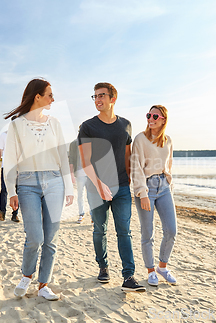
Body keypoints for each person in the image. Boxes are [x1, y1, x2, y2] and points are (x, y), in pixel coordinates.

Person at [3, 78, 74, 301]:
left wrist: (69, 187)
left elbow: (64, 157)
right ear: (38, 97)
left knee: (50, 237)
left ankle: (44, 285)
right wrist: (11, 190)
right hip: (27, 184)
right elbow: (10, 160)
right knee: (34, 237)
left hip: (54, 181)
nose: (53, 99)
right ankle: (26, 276)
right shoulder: (16, 125)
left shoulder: (55, 123)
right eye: (50, 95)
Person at [78, 82, 145, 292]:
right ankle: (103, 267)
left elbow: (127, 155)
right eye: (95, 96)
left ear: (113, 99)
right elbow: (85, 161)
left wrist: (131, 181)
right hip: (96, 187)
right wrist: (99, 185)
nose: (97, 100)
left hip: (122, 186)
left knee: (124, 231)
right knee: (100, 230)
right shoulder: (87, 126)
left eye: (101, 96)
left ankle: (129, 276)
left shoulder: (125, 124)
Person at [131, 105, 177, 287]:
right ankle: (150, 271)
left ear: (163, 120)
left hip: (164, 187)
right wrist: (142, 193)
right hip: (146, 188)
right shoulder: (140, 139)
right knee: (148, 232)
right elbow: (136, 167)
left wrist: (169, 185)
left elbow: (169, 165)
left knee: (171, 230)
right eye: (148, 115)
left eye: (155, 116)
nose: (150, 118)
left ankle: (162, 267)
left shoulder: (168, 141)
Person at [0, 128, 20, 223]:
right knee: (4, 189)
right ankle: (2, 212)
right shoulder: (4, 135)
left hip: (18, 168)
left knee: (17, 191)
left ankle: (15, 215)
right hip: (6, 167)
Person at [69, 127, 89, 224]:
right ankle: (81, 214)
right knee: (80, 195)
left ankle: (94, 217)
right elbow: (71, 159)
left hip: (90, 174)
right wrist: (71, 174)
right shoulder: (74, 143)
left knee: (91, 196)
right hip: (79, 174)